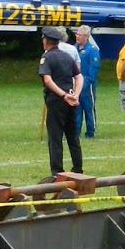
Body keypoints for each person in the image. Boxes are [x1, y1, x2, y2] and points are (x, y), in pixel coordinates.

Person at [39, 25, 84, 176]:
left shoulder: (47, 57)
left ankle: (57, 171)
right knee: (73, 136)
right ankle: (77, 168)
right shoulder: (67, 56)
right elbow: (79, 76)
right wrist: (75, 94)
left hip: (57, 101)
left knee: (55, 137)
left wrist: (63, 95)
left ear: (46, 42)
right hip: (71, 101)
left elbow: (47, 80)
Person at [75, 25, 100, 139]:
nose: (77, 36)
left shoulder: (92, 50)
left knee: (88, 108)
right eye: (77, 34)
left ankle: (91, 131)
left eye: (80, 35)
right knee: (76, 108)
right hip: (75, 84)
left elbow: (94, 68)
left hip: (87, 85)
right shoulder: (73, 48)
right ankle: (76, 131)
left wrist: (87, 82)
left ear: (86, 37)